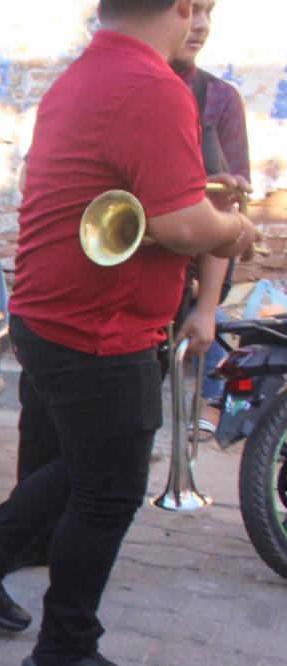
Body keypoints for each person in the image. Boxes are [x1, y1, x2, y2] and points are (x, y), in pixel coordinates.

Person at [0, 0, 258, 666]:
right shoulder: (152, 86)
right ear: (183, 7)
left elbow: (124, 188)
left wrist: (202, 198)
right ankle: (65, 650)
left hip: (52, 314)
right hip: (101, 327)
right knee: (109, 489)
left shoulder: (84, 73)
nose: (199, 21)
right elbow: (176, 223)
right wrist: (234, 229)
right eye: (199, 8)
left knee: (81, 465)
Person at [170, 0, 250, 415]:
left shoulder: (219, 98)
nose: (200, 26)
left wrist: (206, 309)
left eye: (208, 12)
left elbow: (229, 208)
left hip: (180, 283)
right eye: (190, 10)